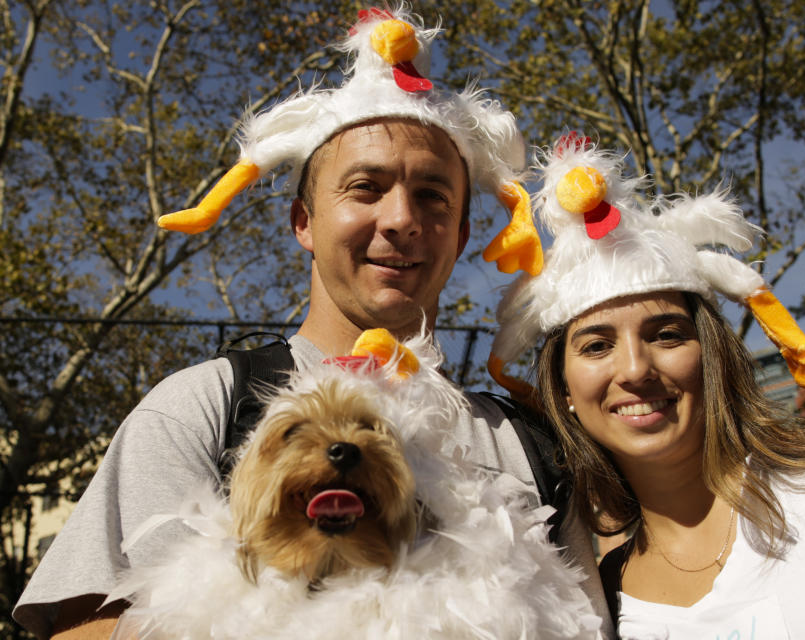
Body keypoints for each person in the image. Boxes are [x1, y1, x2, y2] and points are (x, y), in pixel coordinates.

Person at [14, 9, 610, 639]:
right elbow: (81, 628)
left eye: (434, 196)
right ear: (303, 221)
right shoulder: (204, 407)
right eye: (365, 187)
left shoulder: (531, 445)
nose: (401, 218)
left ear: (462, 233)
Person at [489, 133, 805, 639]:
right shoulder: (595, 597)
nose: (635, 369)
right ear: (563, 392)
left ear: (711, 356)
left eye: (666, 335)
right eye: (597, 346)